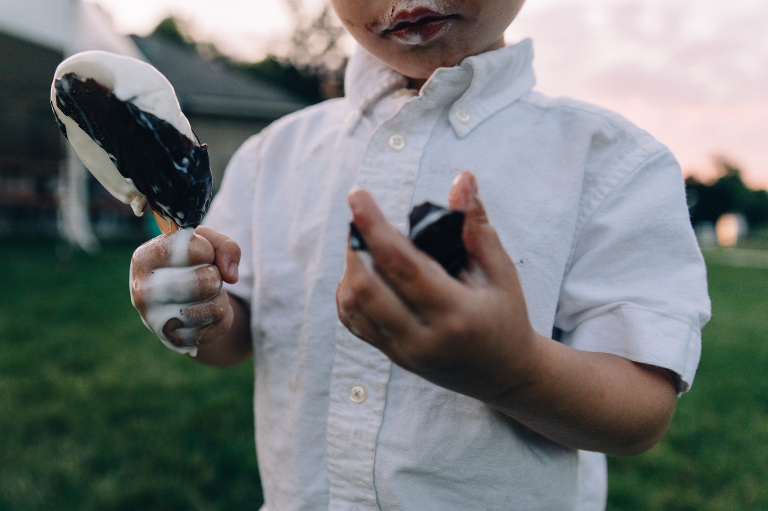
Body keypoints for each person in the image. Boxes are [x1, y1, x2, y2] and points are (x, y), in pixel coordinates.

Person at [129, 0, 711, 509]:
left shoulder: (610, 162)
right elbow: (236, 333)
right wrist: (197, 305)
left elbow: (642, 409)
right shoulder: (274, 153)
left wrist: (513, 369)